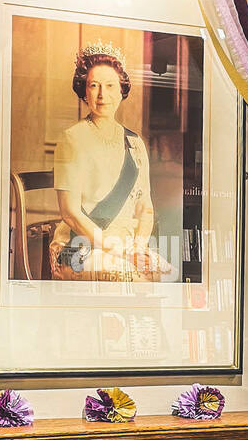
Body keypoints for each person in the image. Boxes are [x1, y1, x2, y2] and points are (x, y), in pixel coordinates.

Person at [48, 43, 177, 283]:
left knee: (170, 275)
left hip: (127, 247)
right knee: (133, 279)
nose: (101, 95)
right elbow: (71, 213)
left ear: (121, 91)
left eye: (109, 86)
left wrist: (138, 248)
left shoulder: (135, 143)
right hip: (80, 246)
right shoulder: (72, 139)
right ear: (84, 91)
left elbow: (145, 208)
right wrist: (122, 252)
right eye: (93, 86)